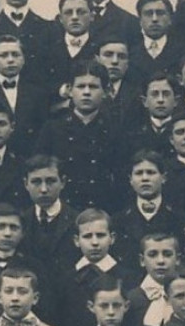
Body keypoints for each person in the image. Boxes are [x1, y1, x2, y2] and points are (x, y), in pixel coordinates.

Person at [32, 61, 124, 215]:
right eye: (81, 86)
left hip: (104, 209)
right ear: (69, 90)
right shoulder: (53, 128)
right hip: (63, 210)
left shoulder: (115, 130)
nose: (86, 92)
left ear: (106, 91)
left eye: (93, 87)